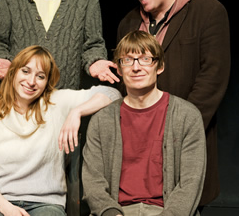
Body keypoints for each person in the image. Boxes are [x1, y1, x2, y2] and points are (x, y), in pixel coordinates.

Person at [117, 0, 230, 207]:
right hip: (138, 152)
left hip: (185, 145)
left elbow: (211, 80)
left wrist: (176, 133)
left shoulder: (208, 11)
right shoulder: (128, 24)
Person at [0, 45, 121, 216]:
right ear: (13, 73)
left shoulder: (56, 103)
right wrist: (7, 208)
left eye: (40, 76)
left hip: (46, 203)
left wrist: (76, 112)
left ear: (47, 82)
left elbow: (112, 93)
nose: (32, 81)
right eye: (25, 71)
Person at [82, 30, 206, 216]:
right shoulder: (102, 121)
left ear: (160, 66)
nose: (136, 67)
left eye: (145, 59)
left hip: (167, 211)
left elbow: (191, 182)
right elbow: (93, 182)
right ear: (119, 69)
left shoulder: (186, 116)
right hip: (118, 212)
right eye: (127, 60)